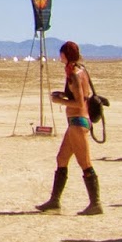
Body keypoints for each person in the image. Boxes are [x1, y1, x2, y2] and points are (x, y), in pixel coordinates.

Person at [35, 41, 103, 216]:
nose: (60, 57)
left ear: (66, 55)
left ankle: (95, 203)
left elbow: (79, 102)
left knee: (85, 163)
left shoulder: (74, 74)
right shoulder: (80, 70)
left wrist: (60, 101)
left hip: (78, 122)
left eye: (62, 54)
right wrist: (64, 95)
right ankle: (54, 201)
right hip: (76, 122)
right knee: (61, 158)